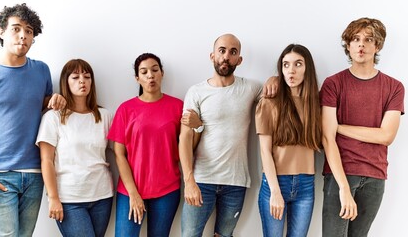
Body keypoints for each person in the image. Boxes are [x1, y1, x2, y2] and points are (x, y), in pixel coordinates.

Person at [0, 3, 66, 236]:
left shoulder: (41, 71)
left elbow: (40, 103)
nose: (23, 35)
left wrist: (54, 99)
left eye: (29, 31)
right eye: (16, 28)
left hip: (34, 174)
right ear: (1, 31)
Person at [179, 33, 277, 237]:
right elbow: (185, 139)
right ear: (212, 55)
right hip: (202, 179)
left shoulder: (250, 87)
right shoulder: (196, 92)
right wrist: (189, 181)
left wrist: (273, 77)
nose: (226, 57)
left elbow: (271, 94)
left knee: (224, 235)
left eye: (233, 52)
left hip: (236, 182)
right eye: (222, 51)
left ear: (239, 60)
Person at [321, 17, 405, 236]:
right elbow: (327, 139)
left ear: (377, 46)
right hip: (340, 174)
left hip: (375, 176)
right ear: (348, 45)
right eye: (356, 39)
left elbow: (386, 136)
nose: (361, 45)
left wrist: (339, 127)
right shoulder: (333, 83)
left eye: (368, 40)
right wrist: (344, 188)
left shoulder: (394, 87)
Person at [107, 53, 201, 237]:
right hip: (130, 190)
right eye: (144, 72)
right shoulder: (126, 109)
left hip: (167, 190)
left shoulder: (177, 107)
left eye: (154, 70)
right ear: (137, 78)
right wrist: (133, 194)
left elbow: (188, 147)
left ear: (162, 73)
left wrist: (198, 126)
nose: (150, 75)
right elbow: (119, 154)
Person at [36, 59, 114, 236]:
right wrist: (53, 198)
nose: (82, 81)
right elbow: (46, 160)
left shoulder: (104, 115)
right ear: (65, 81)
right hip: (69, 198)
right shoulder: (53, 117)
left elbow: (120, 152)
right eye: (76, 77)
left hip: (102, 196)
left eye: (87, 77)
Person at [255, 44, 321, 237]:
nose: (291, 70)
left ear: (307, 68)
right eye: (286, 65)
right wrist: (275, 191)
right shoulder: (269, 103)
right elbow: (264, 151)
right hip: (276, 182)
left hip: (306, 184)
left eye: (298, 64)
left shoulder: (315, 104)